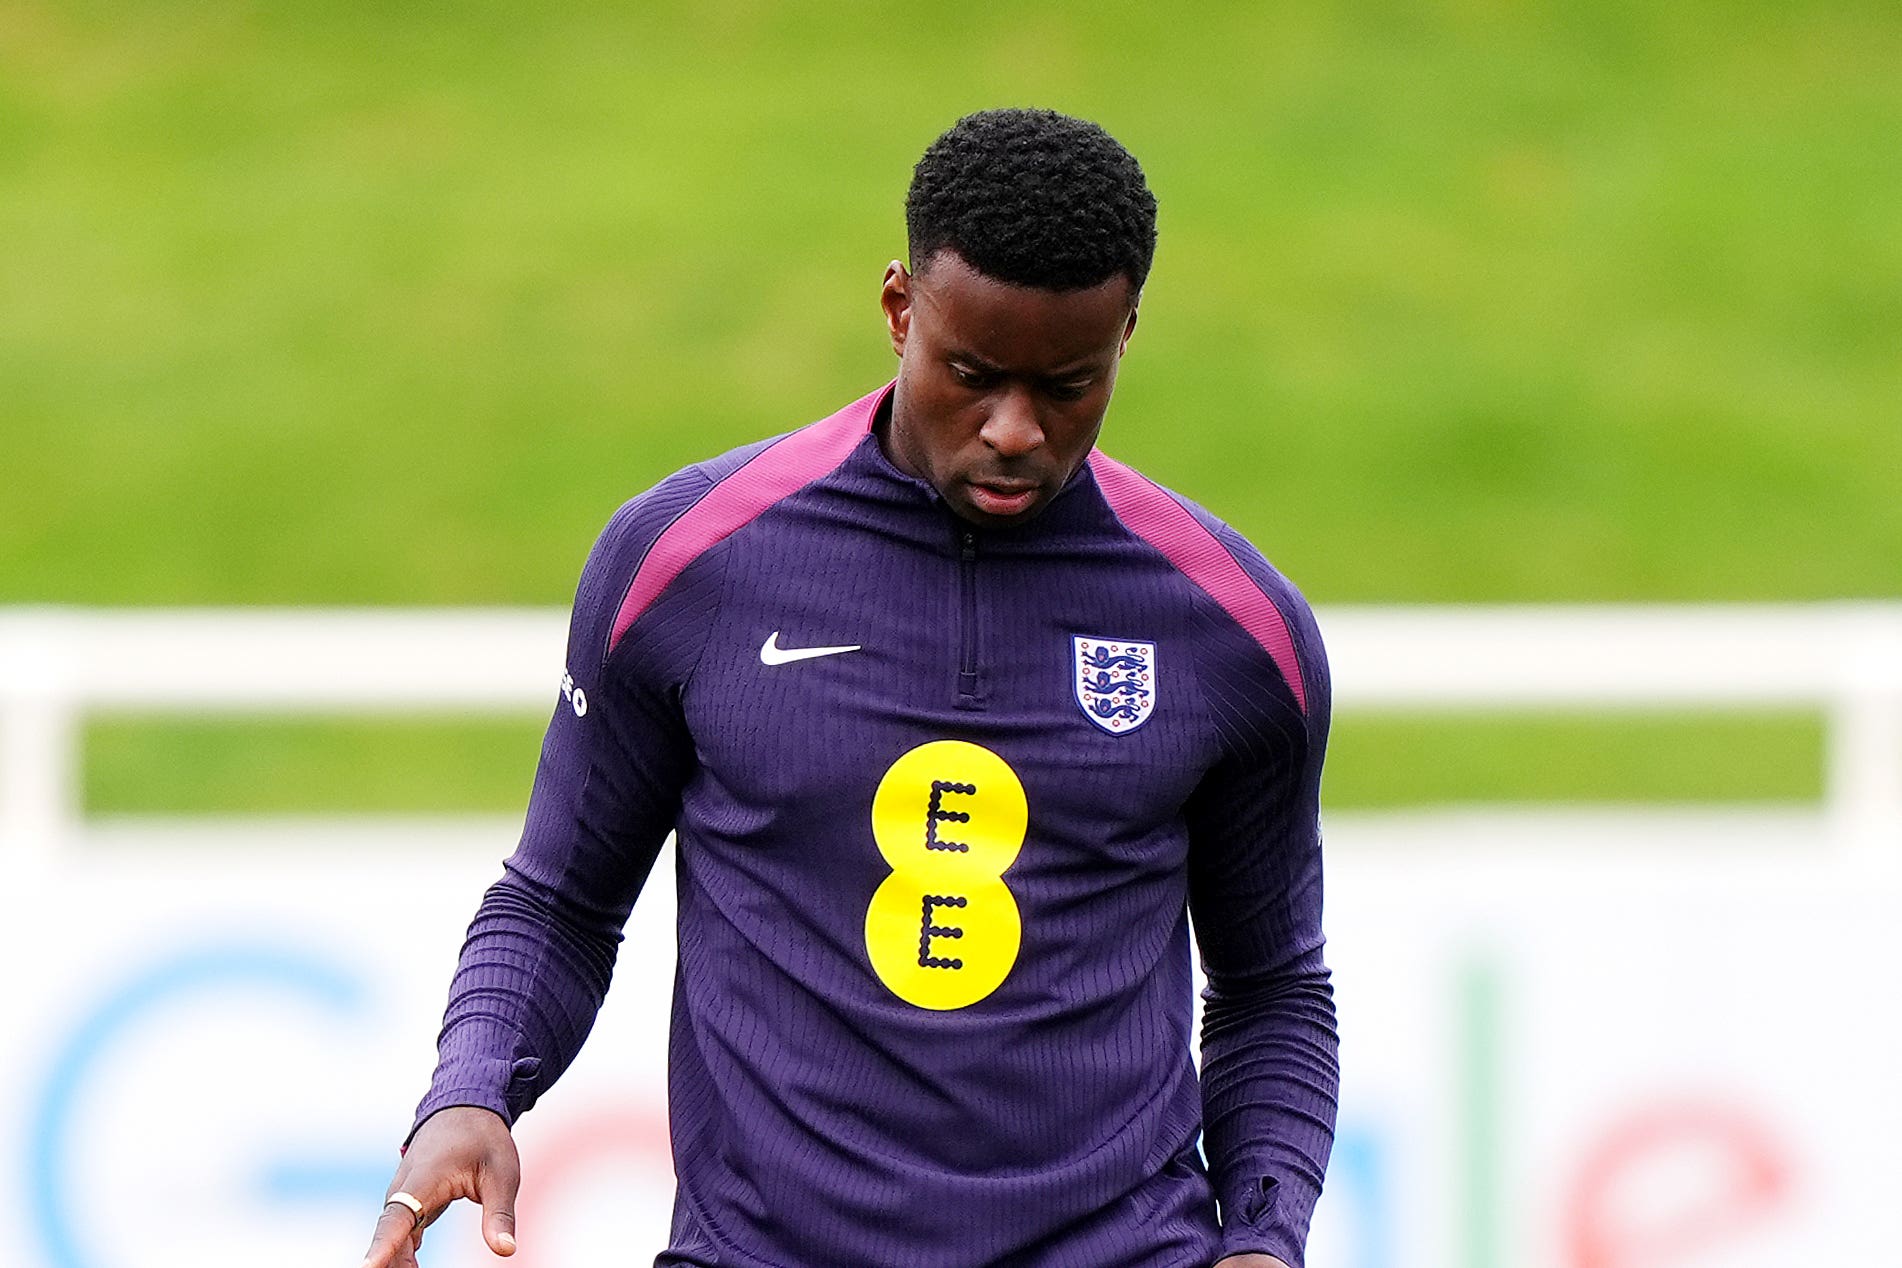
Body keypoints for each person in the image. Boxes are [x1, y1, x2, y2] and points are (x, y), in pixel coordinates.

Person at [361, 107, 1337, 1268]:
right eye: (970, 373)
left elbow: (1272, 983)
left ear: (1128, 334)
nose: (1015, 430)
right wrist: (472, 1090)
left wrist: (1265, 1237)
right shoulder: (684, 561)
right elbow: (560, 899)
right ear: (897, 310)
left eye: (1067, 384)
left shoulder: (1236, 628)